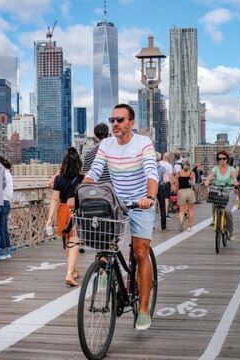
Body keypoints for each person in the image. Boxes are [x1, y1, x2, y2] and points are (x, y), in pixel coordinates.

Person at [84, 103, 158, 331]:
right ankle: (105, 273)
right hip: (116, 203)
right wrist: (82, 191)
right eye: (112, 120)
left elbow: (151, 172)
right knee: (104, 245)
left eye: (120, 120)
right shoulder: (106, 144)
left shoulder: (143, 143)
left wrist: (149, 197)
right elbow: (95, 172)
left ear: (131, 123)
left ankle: (143, 309)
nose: (115, 124)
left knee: (140, 251)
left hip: (140, 202)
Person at [45, 147, 85, 287]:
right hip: (76, 211)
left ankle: (74, 270)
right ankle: (69, 272)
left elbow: (54, 199)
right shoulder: (82, 178)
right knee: (74, 241)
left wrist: (49, 219)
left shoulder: (58, 179)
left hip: (62, 210)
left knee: (68, 241)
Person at [204, 150, 239, 241]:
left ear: (227, 159)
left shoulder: (231, 169)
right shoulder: (215, 168)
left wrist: (235, 182)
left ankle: (231, 231)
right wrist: (207, 180)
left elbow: (234, 177)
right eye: (219, 159)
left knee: (227, 211)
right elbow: (210, 176)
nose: (222, 160)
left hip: (229, 190)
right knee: (214, 202)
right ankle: (214, 219)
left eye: (224, 158)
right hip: (218, 190)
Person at [0, 155, 13, 260]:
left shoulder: (2, 173)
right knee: (4, 227)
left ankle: (2, 251)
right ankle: (7, 250)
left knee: (0, 227)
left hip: (1, 201)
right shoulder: (8, 172)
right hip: (7, 202)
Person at [175, 159, 196, 231]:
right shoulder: (192, 173)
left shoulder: (178, 173)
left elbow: (177, 185)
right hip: (189, 191)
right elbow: (193, 184)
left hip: (181, 191)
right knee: (190, 210)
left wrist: (177, 192)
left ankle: (181, 221)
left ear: (182, 165)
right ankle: (189, 227)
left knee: (181, 210)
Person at [156, 152, 169, 231]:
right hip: (160, 188)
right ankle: (163, 226)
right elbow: (165, 180)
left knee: (151, 208)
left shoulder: (150, 167)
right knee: (162, 207)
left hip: (151, 188)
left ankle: (150, 226)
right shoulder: (162, 168)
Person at [159, 153, 174, 218]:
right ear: (168, 158)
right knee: (166, 199)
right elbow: (170, 176)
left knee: (159, 199)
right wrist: (172, 185)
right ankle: (165, 214)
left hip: (158, 182)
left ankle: (160, 215)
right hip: (166, 183)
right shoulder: (169, 165)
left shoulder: (158, 163)